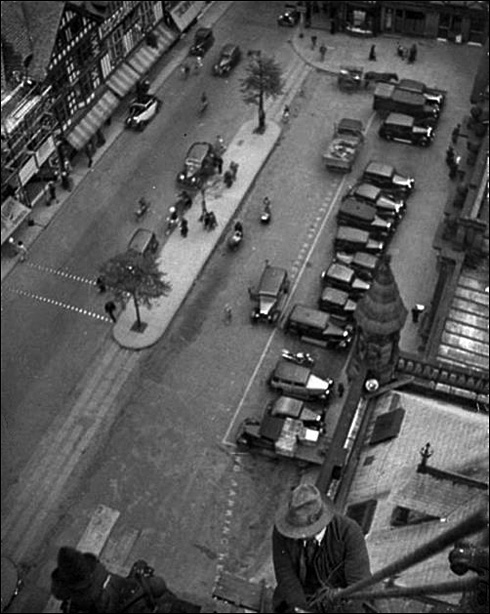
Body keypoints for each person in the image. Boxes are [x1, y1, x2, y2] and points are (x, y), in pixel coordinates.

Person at [272, 484, 371, 613]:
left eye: (299, 531)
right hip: (299, 598)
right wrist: (301, 609)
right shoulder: (283, 529)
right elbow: (285, 574)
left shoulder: (349, 532)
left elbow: (358, 586)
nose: (294, 536)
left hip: (339, 602)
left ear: (315, 521)